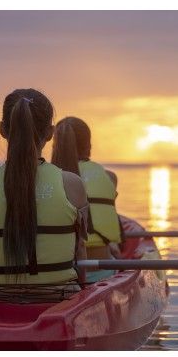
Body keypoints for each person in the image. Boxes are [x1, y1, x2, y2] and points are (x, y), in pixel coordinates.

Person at [0, 89, 88, 286]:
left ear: (3, 130)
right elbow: (80, 248)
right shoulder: (72, 184)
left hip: (0, 300)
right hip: (62, 300)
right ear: (50, 134)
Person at [51, 116, 122, 283]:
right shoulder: (110, 177)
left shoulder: (47, 179)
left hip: (60, 274)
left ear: (55, 146)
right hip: (101, 271)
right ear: (89, 146)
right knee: (114, 250)